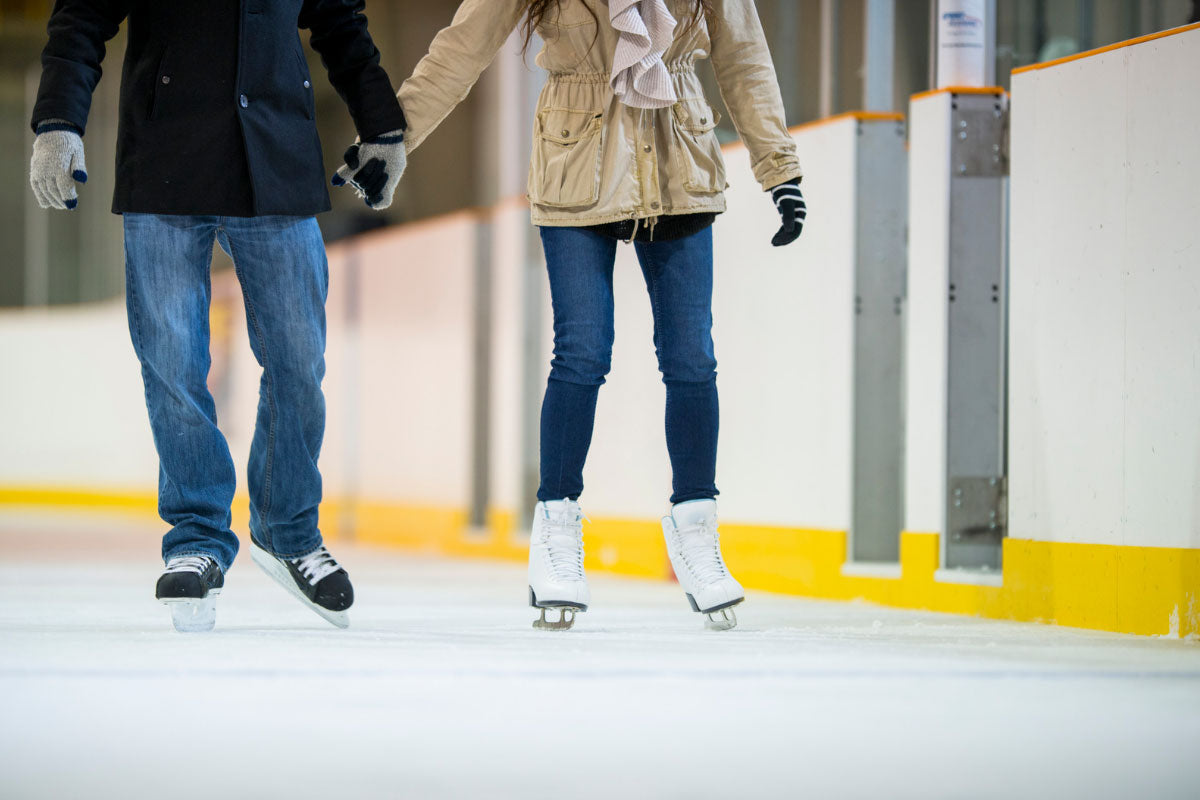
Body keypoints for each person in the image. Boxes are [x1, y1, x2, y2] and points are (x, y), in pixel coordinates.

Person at [364, 0, 806, 630]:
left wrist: (778, 167)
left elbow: (744, 56)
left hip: (677, 152)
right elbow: (463, 46)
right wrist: (395, 137)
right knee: (583, 351)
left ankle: (697, 535)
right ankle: (557, 533)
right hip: (577, 161)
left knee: (691, 358)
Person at [28, 0, 408, 632]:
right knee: (173, 365)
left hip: (276, 162)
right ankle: (196, 539)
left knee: (297, 360)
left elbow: (341, 25)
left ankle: (286, 532)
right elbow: (81, 19)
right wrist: (57, 121)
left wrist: (383, 128)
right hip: (164, 161)